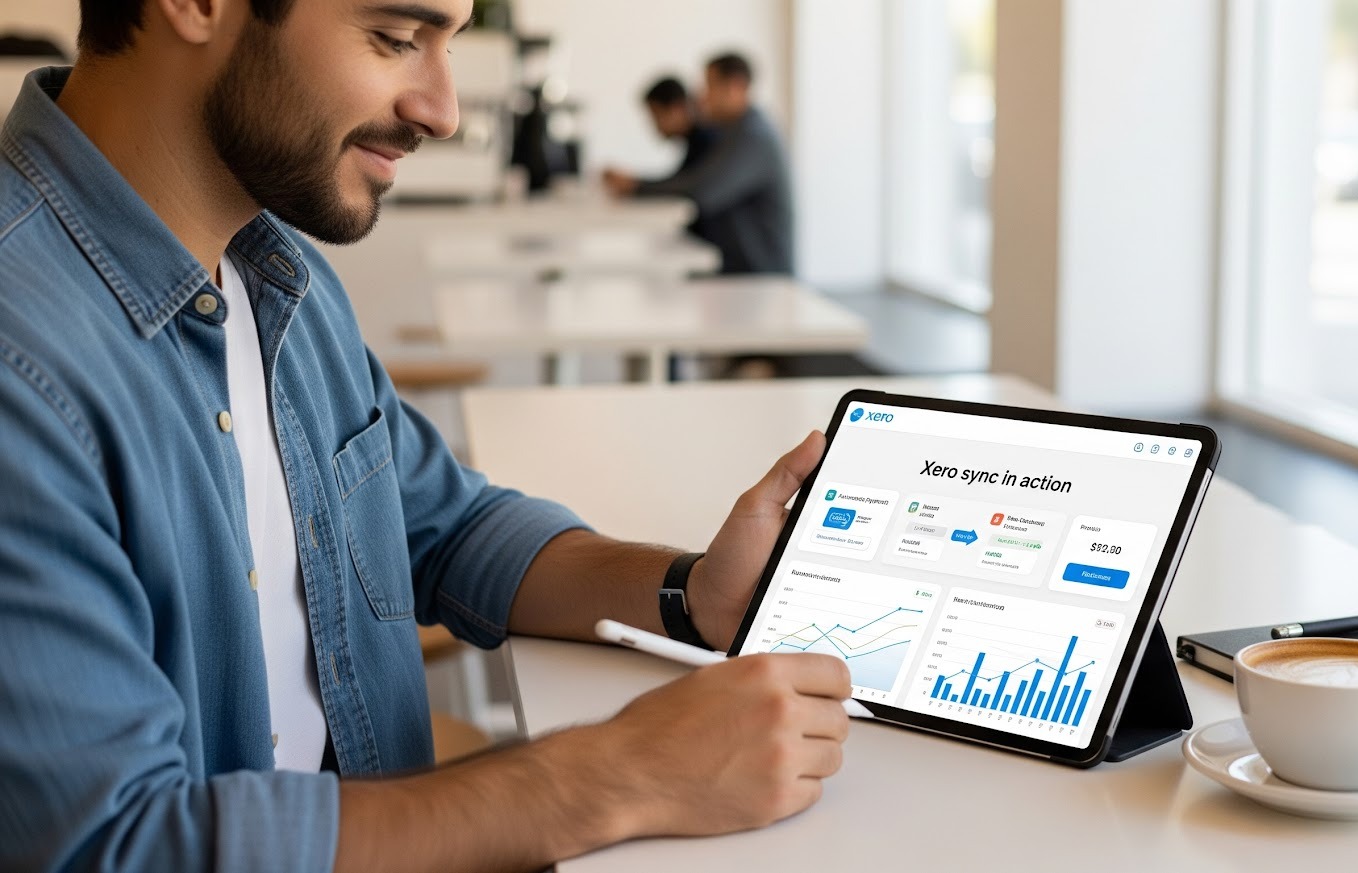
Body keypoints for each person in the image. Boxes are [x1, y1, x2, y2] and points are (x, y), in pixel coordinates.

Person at [0, 3, 850, 872]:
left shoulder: (279, 277)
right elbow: (118, 847)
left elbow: (446, 526)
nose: (443, 110)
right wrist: (619, 773)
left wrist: (691, 592)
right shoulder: (22, 369)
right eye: (396, 39)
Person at [606, 52, 794, 275]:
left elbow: (702, 189)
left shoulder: (753, 136)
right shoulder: (733, 131)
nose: (701, 97)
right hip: (741, 272)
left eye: (709, 86)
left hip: (761, 276)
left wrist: (636, 186)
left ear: (736, 87)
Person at [602, 75, 720, 219]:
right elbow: (679, 180)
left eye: (657, 116)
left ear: (676, 109)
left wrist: (635, 185)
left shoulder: (706, 140)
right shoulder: (696, 139)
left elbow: (688, 185)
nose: (654, 125)